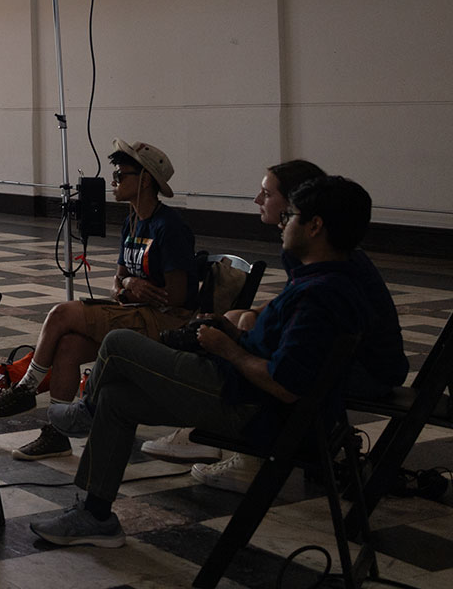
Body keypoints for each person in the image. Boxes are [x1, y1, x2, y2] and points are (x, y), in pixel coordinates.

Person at [28, 176, 373, 548]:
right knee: (116, 399)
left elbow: (286, 385)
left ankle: (84, 413)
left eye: (290, 215)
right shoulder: (325, 278)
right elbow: (284, 350)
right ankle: (96, 515)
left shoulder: (319, 295)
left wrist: (228, 349)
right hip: (241, 387)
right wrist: (232, 332)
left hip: (245, 402)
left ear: (315, 226)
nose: (282, 223)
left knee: (117, 343)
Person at [146, 160, 407, 493]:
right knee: (239, 319)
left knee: (245, 339)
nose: (258, 200)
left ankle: (243, 450)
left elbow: (309, 323)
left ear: (299, 207)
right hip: (356, 356)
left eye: (267, 194)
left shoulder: (327, 258)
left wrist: (235, 342)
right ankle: (225, 439)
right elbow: (297, 299)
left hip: (365, 369)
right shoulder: (323, 250)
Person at [0, 139, 198, 461]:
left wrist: (132, 288)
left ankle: (26, 389)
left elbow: (178, 297)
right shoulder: (133, 221)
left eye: (121, 175)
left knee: (60, 314)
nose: (114, 181)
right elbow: (117, 282)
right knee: (67, 346)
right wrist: (129, 283)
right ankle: (57, 433)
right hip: (135, 310)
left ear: (145, 180)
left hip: (164, 320)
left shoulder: (170, 226)